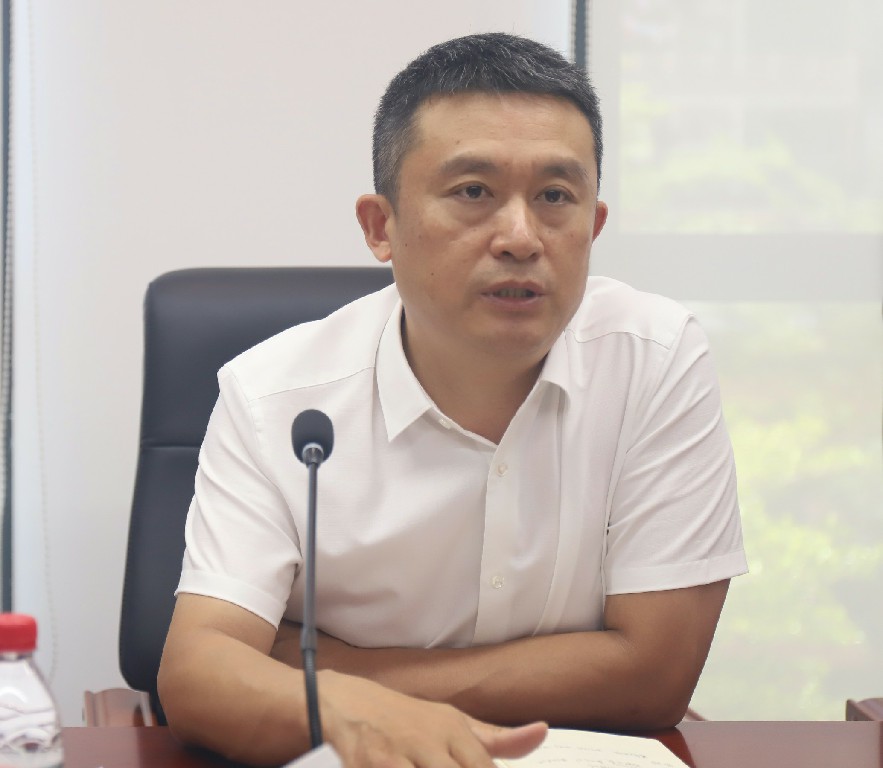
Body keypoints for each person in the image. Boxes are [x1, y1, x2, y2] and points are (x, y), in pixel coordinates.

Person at [158, 31, 748, 767]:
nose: (520, 237)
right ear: (381, 227)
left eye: (555, 197)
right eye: (473, 192)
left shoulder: (654, 358)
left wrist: (338, 682)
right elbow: (196, 676)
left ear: (593, 227)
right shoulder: (275, 398)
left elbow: (655, 676)